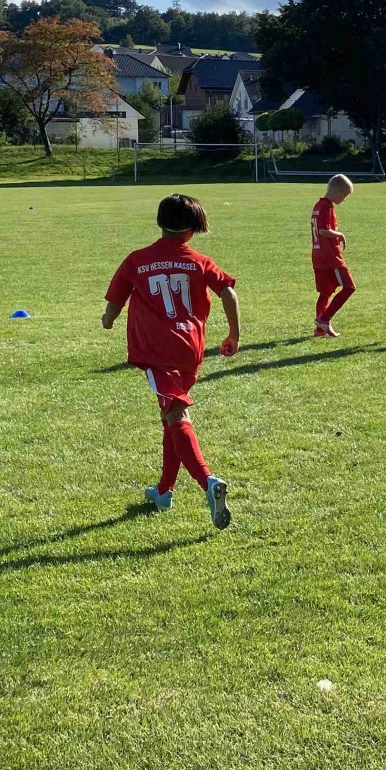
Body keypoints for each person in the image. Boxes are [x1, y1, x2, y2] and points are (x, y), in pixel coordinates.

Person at [102, 194, 238, 527]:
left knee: (176, 414)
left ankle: (208, 481)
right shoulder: (200, 261)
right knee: (170, 416)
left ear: (159, 223)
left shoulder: (137, 260)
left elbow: (115, 301)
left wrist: (108, 319)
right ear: (192, 229)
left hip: (157, 352)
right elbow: (228, 292)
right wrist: (234, 334)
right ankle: (164, 490)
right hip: (191, 349)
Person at [312, 174, 356, 336]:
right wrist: (339, 234)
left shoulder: (318, 205)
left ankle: (320, 329)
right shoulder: (327, 206)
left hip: (318, 255)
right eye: (345, 196)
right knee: (349, 287)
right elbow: (323, 230)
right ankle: (324, 319)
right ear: (338, 192)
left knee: (326, 292)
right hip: (330, 257)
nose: (344, 199)